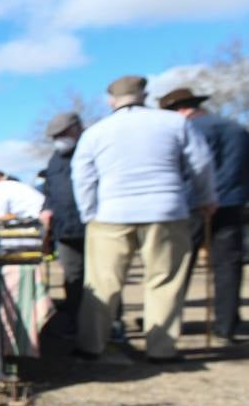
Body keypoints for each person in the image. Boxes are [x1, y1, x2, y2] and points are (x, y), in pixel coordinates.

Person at [71, 75, 216, 363]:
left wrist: (89, 214)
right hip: (166, 210)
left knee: (102, 282)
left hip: (111, 213)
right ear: (143, 95)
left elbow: (83, 177)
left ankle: (90, 346)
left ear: (112, 100)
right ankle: (161, 349)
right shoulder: (173, 123)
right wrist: (206, 198)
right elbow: (201, 164)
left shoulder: (97, 132)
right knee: (164, 281)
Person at [159, 86, 248, 343]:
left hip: (197, 204)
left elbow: (195, 168)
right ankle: (226, 325)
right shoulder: (236, 128)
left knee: (179, 263)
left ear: (181, 110)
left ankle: (167, 320)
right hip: (233, 203)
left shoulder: (195, 129)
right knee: (228, 265)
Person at [40, 111, 86, 335]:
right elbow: (49, 190)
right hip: (64, 228)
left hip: (92, 225)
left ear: (76, 130)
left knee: (101, 279)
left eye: (62, 134)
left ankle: (106, 326)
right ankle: (75, 322)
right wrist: (46, 210)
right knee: (72, 276)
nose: (58, 140)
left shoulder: (91, 149)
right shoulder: (55, 159)